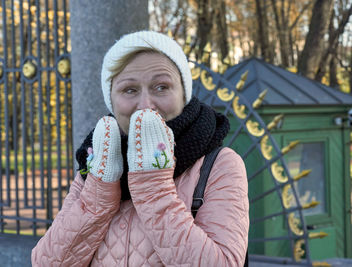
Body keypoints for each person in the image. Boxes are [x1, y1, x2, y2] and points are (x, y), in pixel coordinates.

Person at [32, 31, 249, 266]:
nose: (146, 105)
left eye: (161, 87)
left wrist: (152, 185)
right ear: (112, 100)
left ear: (183, 94)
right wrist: (98, 195)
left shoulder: (221, 164)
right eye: (129, 90)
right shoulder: (97, 163)